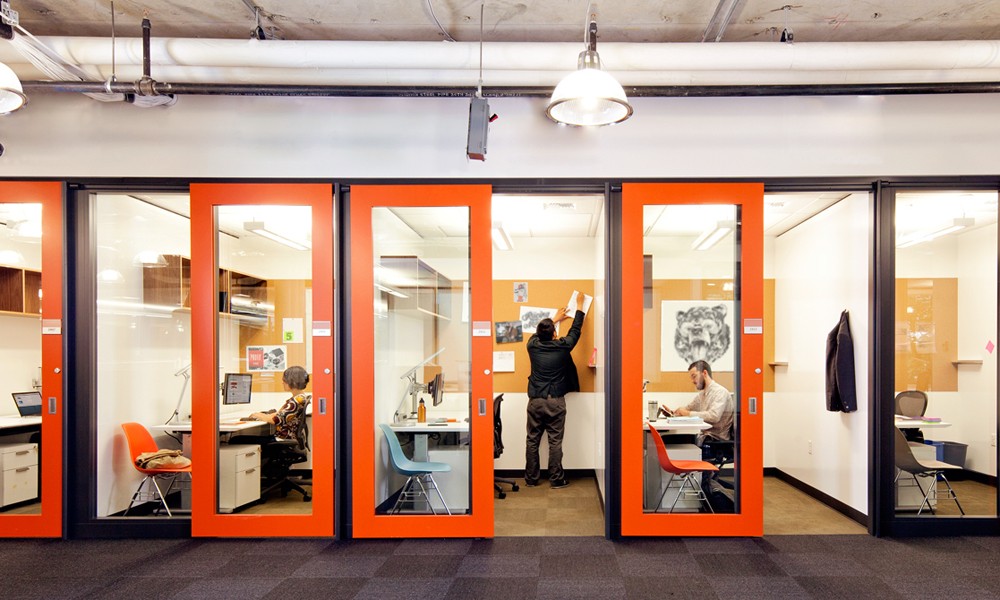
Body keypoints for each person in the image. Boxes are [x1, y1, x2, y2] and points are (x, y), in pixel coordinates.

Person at [525, 306, 585, 489]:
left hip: (535, 400)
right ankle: (557, 479)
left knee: (532, 440)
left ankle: (531, 479)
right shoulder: (563, 347)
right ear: (555, 334)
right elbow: (575, 330)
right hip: (555, 401)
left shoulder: (532, 345)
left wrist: (554, 319)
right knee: (555, 442)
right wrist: (580, 308)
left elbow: (538, 334)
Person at [660, 360, 734, 448]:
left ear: (704, 373)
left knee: (666, 442)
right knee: (664, 440)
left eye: (694, 376)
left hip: (715, 440)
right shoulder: (702, 395)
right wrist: (673, 412)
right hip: (704, 437)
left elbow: (714, 416)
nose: (692, 381)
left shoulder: (720, 392)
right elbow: (687, 408)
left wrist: (687, 413)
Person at [232, 365, 310, 446]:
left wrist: (259, 415)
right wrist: (264, 415)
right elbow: (279, 414)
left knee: (236, 439)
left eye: (284, 380)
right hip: (287, 437)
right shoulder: (300, 398)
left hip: (283, 438)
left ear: (292, 381)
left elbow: (276, 419)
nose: (282, 382)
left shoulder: (296, 401)